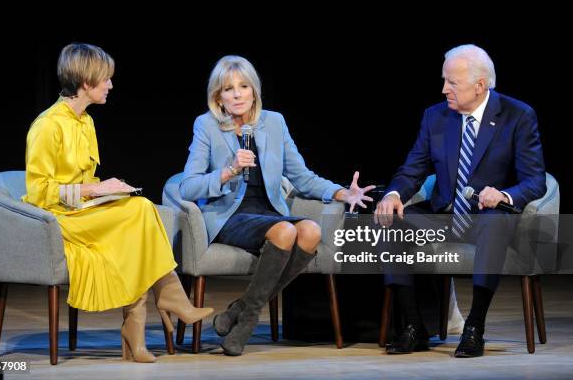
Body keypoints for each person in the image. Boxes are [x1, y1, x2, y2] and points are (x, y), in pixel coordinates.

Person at [22, 43, 213, 363]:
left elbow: (85, 180)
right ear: (86, 81)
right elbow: (40, 190)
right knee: (140, 212)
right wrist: (94, 190)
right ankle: (166, 302)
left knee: (138, 214)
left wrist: (109, 190)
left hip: (83, 211)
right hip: (58, 219)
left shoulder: (86, 122)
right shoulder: (47, 125)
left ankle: (139, 334)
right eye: (105, 79)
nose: (110, 85)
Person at [180, 55, 374, 356]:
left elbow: (301, 176)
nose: (237, 94)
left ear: (254, 90)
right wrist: (228, 171)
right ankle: (247, 322)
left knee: (309, 230)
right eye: (228, 89)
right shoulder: (206, 126)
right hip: (229, 214)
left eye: (243, 86)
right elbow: (188, 186)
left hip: (268, 211)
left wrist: (341, 193)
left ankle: (240, 311)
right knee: (284, 231)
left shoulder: (274, 122)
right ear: (218, 96)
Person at [375, 44, 546, 357]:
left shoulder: (517, 115)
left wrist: (505, 194)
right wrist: (393, 194)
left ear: (480, 86)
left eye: (452, 83)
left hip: (489, 216)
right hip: (444, 213)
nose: (444, 89)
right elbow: (413, 168)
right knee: (392, 226)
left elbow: (535, 181)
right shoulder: (435, 117)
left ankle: (474, 327)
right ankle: (414, 327)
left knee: (493, 225)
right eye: (444, 80)